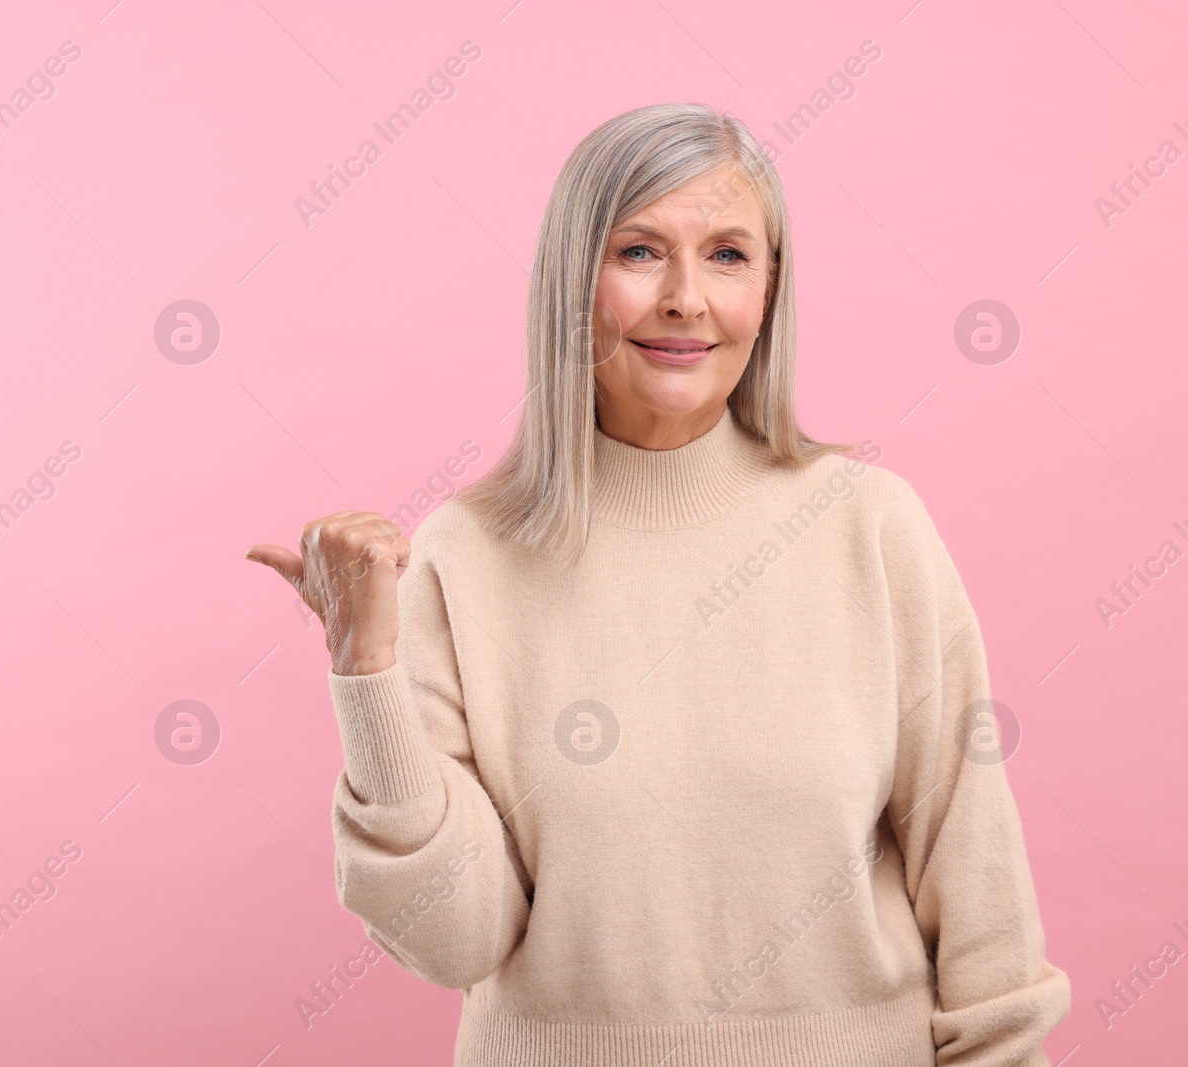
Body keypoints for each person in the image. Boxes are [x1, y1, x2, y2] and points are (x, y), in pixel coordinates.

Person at [246, 102, 1070, 1066]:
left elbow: (975, 880)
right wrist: (365, 669)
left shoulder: (869, 526)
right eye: (639, 252)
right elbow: (455, 937)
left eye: (727, 254)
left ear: (771, 289)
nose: (687, 297)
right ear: (572, 281)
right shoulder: (464, 552)